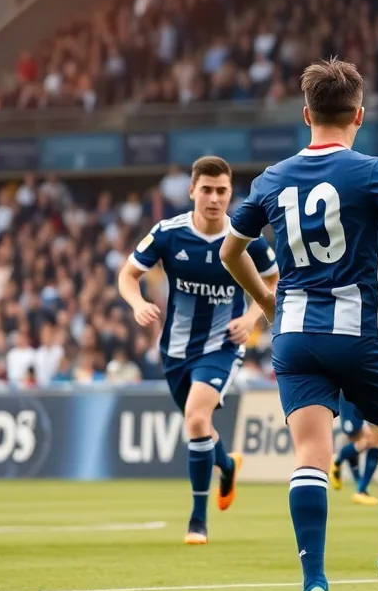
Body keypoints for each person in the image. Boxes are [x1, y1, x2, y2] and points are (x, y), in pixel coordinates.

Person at [221, 58, 378, 591]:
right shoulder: (371, 170)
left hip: (294, 336)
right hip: (361, 335)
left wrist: (268, 303)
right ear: (359, 116)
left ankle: (315, 585)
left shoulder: (271, 178)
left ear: (306, 115)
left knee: (310, 458)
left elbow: (230, 252)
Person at [119, 156, 278, 545]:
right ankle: (226, 465)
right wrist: (138, 304)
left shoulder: (246, 239)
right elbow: (127, 275)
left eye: (221, 191)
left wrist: (254, 316)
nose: (213, 198)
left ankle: (197, 521)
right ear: (192, 191)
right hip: (174, 350)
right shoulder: (168, 233)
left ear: (230, 194)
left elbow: (274, 280)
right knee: (199, 426)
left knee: (195, 417)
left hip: (223, 346)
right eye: (206, 190)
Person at [331, 395, 378, 506]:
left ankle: (361, 490)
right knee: (363, 439)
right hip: (352, 391)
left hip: (370, 393)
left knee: (377, 441)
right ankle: (337, 459)